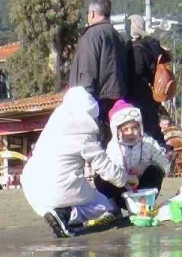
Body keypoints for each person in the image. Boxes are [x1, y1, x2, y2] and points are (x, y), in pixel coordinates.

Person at [20, 86, 126, 239]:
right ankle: (66, 214)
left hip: (31, 184)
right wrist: (126, 178)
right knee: (103, 204)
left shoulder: (53, 125)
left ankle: (63, 217)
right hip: (59, 188)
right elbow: (106, 168)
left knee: (51, 201)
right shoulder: (84, 133)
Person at [69, 0, 128, 142]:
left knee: (96, 142)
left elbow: (87, 69)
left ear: (93, 14)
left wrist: (84, 98)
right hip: (116, 98)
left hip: (96, 99)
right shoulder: (118, 37)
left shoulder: (92, 34)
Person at [96, 101, 171, 212]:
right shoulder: (113, 147)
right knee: (100, 177)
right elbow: (111, 169)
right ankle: (113, 209)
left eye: (134, 127)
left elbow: (165, 166)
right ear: (116, 131)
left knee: (154, 170)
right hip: (121, 190)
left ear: (140, 126)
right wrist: (125, 177)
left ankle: (145, 206)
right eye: (125, 129)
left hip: (144, 190)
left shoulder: (148, 142)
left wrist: (145, 165)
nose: (130, 132)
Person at [126, 15, 169, 144]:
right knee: (153, 131)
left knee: (143, 136)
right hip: (151, 96)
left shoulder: (136, 50)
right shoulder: (152, 47)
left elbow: (137, 71)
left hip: (137, 97)